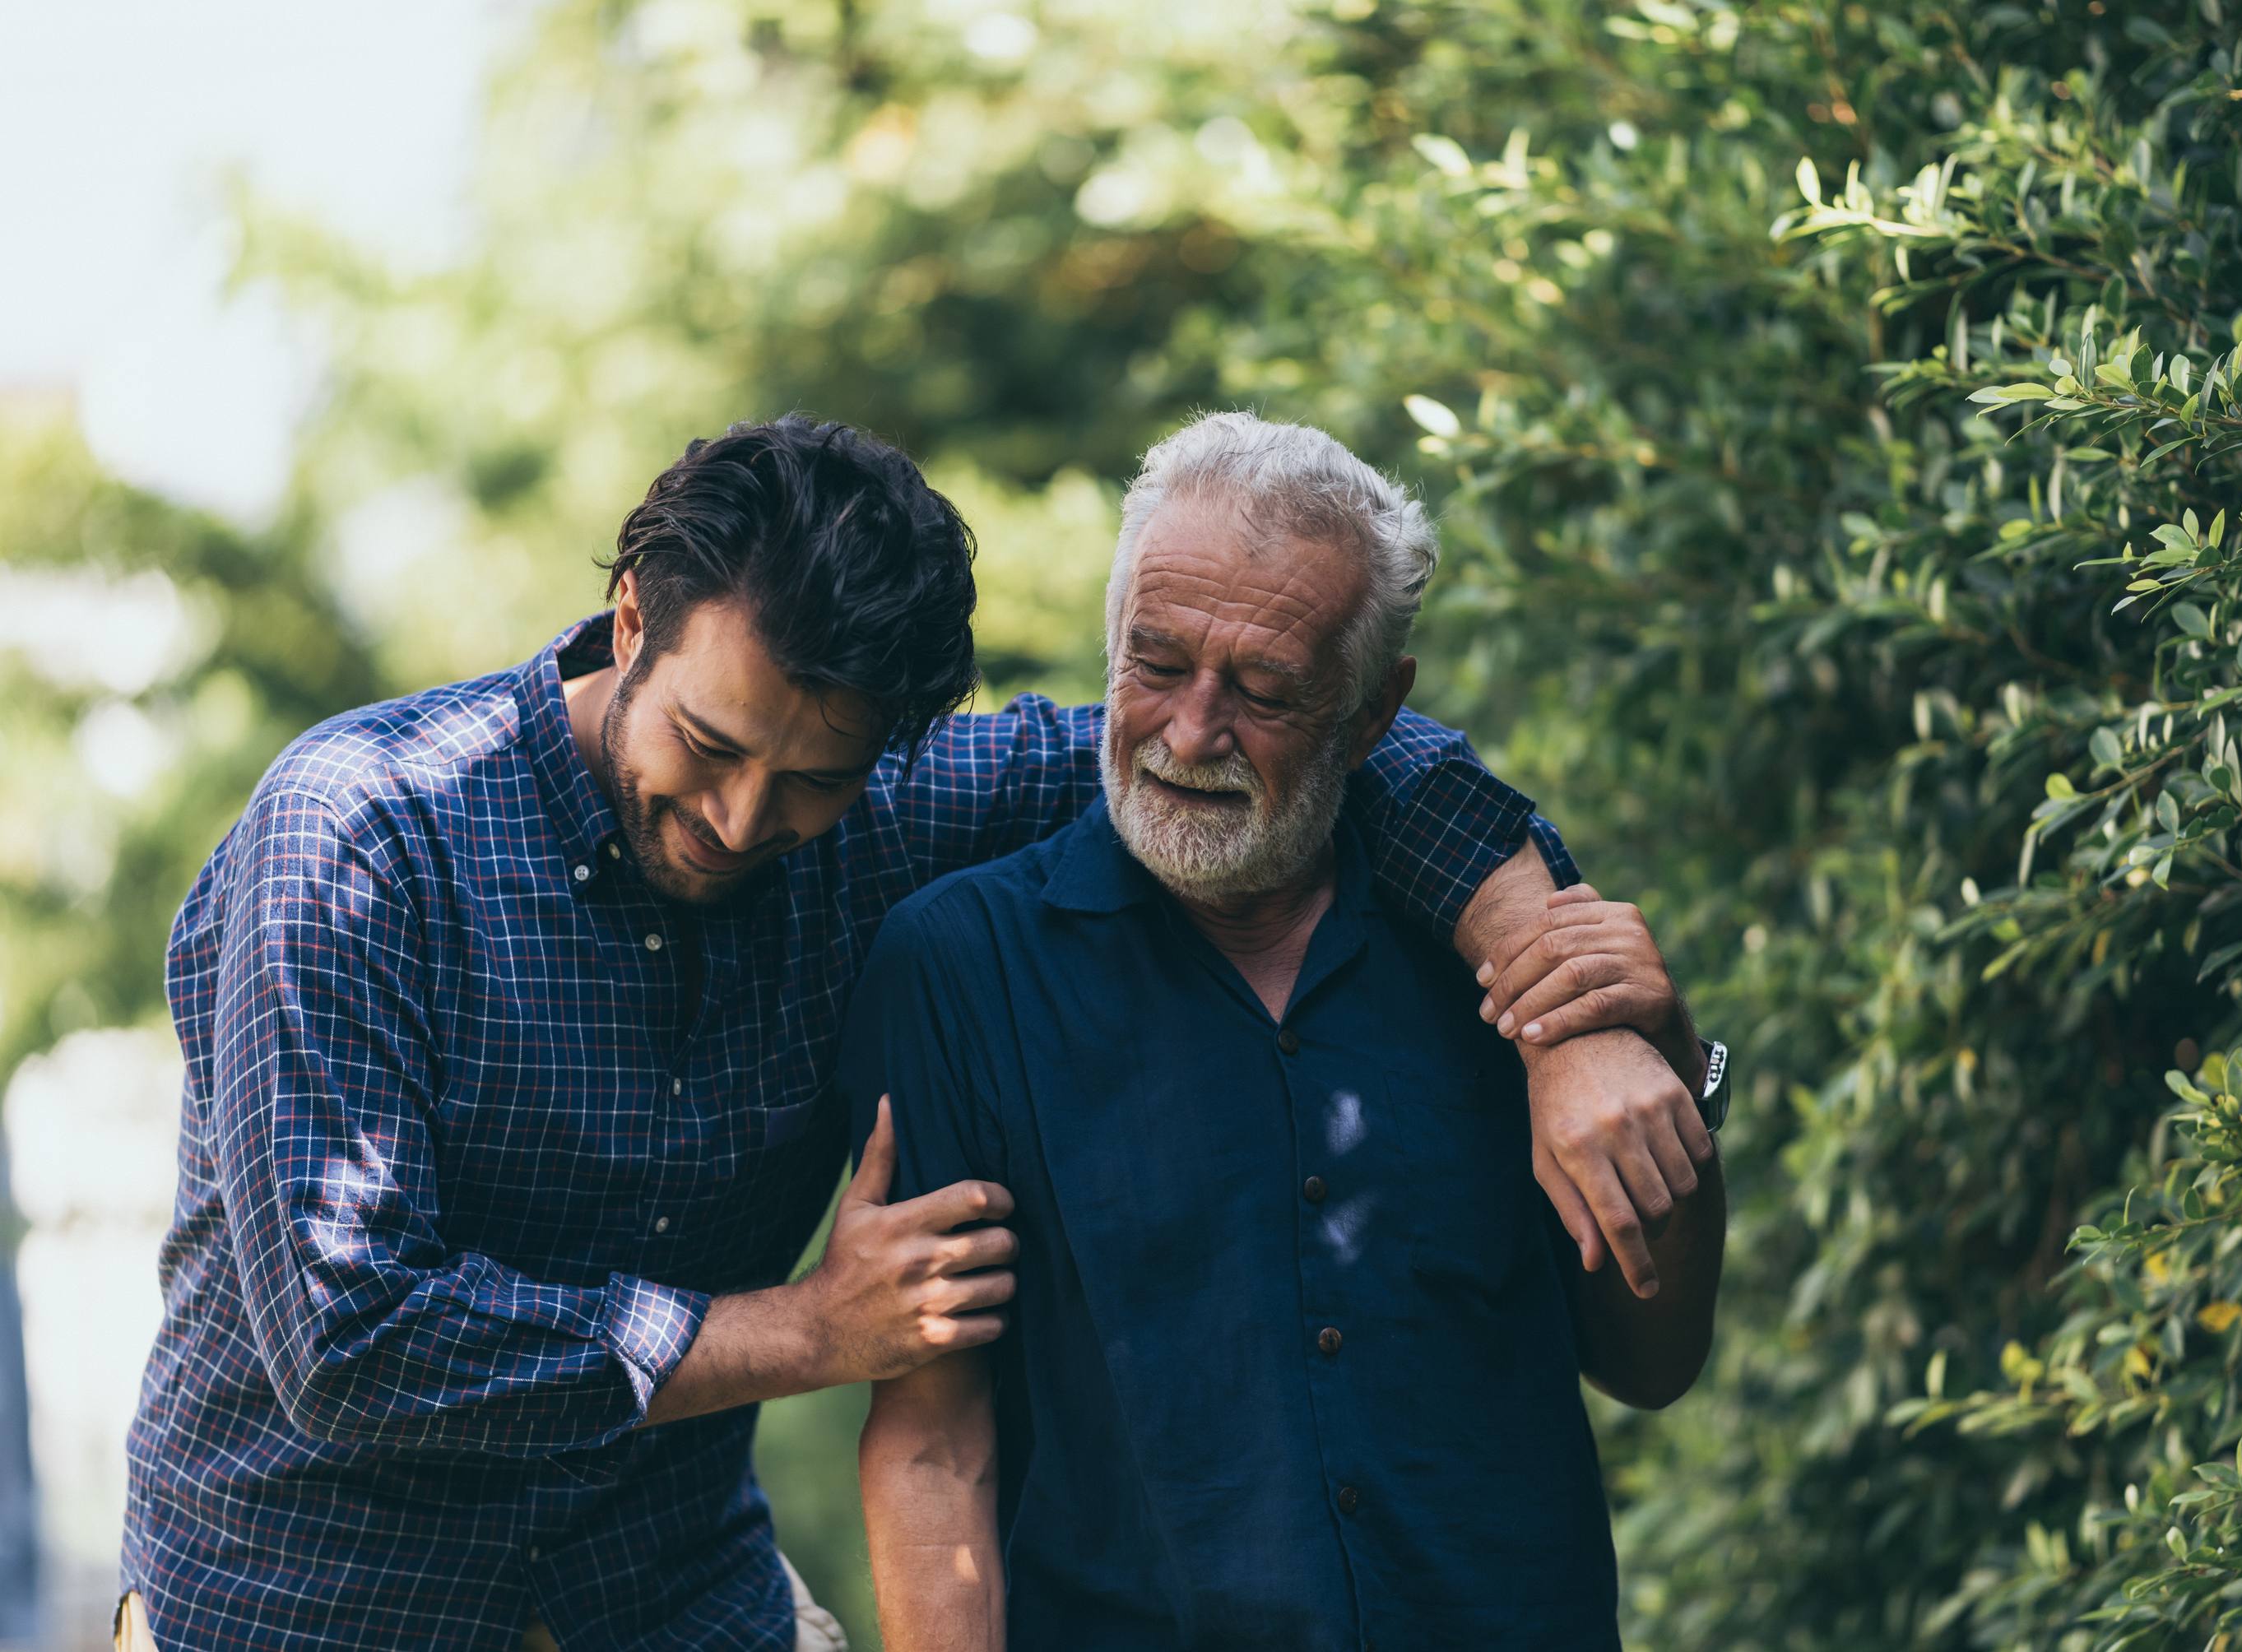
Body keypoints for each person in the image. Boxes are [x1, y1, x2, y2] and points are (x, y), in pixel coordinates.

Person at [118, 415, 1706, 1650]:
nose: (744, 819)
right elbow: (349, 1337)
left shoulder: (889, 808)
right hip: (306, 1604)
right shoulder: (358, 840)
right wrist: (812, 1331)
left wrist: (1556, 997)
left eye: (811, 780)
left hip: (667, 1606)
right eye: (709, 744)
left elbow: (1338, 748)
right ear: (629, 622)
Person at [847, 412, 1730, 1651]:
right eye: (1154, 665)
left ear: (1374, 715)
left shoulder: (1510, 949)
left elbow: (1651, 1362)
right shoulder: (959, 966)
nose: (1191, 734)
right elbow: (939, 1441)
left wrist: (1666, 1069)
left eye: (1264, 693)